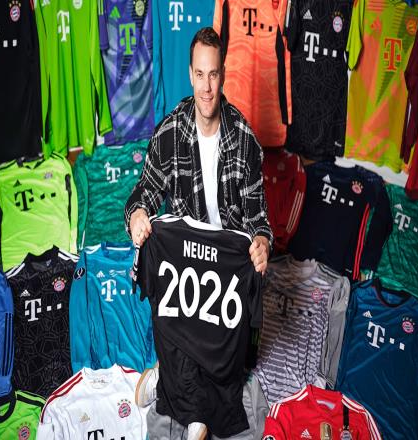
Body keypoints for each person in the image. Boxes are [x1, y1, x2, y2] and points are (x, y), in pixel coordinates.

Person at [124, 27, 272, 440]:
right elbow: (144, 191)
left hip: (225, 267)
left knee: (230, 361)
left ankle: (166, 382)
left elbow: (259, 218)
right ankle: (196, 415)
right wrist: (138, 215)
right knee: (162, 265)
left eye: (214, 75)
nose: (207, 87)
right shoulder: (170, 131)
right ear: (190, 74)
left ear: (223, 75)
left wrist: (262, 243)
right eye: (200, 75)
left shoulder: (244, 139)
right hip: (186, 258)